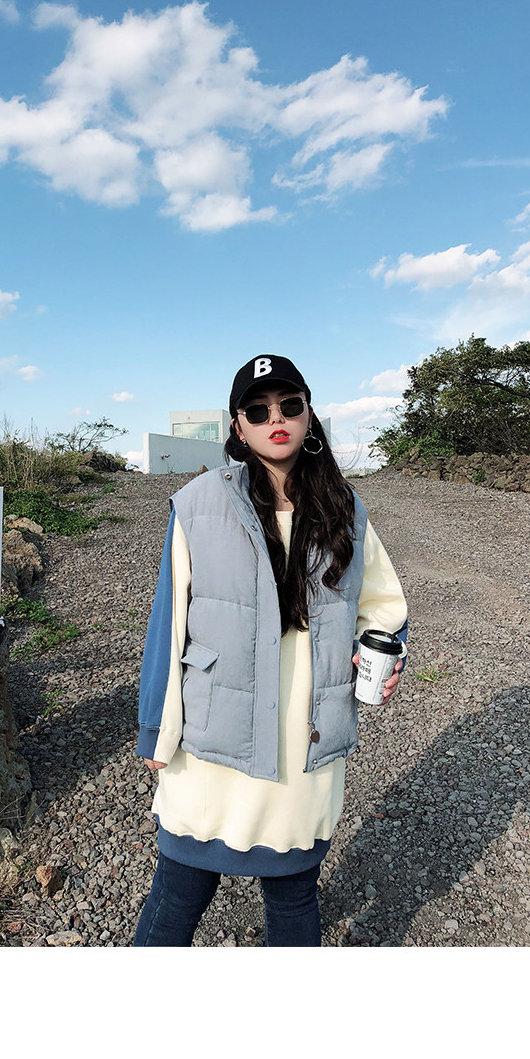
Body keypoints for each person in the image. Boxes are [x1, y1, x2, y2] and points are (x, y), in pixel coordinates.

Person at [133, 352, 408, 949]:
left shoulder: (346, 509)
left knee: (293, 895)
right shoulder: (197, 504)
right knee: (179, 891)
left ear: (309, 415)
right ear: (237, 426)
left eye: (289, 405)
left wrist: (385, 657)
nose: (275, 419)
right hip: (213, 739)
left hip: (304, 740)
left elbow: (384, 607)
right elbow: (168, 625)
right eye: (257, 411)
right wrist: (156, 729)